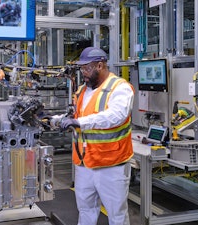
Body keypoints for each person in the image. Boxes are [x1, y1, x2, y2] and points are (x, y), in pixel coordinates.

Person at [51, 47, 135, 225]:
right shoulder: (82, 90)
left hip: (111, 164)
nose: (83, 73)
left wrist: (79, 123)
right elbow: (76, 116)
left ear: (100, 65)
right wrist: (53, 120)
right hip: (85, 163)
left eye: (86, 68)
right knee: (86, 210)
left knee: (117, 215)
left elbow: (115, 116)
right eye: (81, 69)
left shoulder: (120, 88)